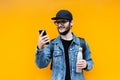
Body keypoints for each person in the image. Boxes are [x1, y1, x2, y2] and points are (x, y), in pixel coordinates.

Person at [36, 9, 94, 80]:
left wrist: (86, 64)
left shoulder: (82, 43)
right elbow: (41, 65)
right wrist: (40, 48)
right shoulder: (52, 44)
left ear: (71, 22)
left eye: (63, 21)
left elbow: (90, 62)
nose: (60, 25)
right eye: (57, 22)